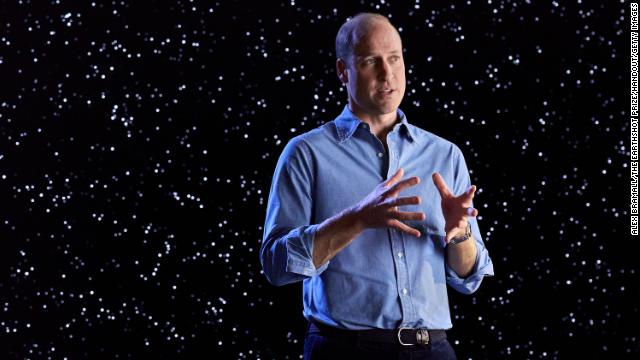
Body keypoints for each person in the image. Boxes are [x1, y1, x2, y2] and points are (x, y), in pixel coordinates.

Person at [260, 12, 494, 360]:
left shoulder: (445, 155)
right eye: (371, 61)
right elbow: (276, 266)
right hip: (344, 351)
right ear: (344, 71)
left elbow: (468, 278)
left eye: (394, 59)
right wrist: (358, 219)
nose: (388, 74)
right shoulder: (306, 153)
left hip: (433, 349)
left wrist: (459, 234)